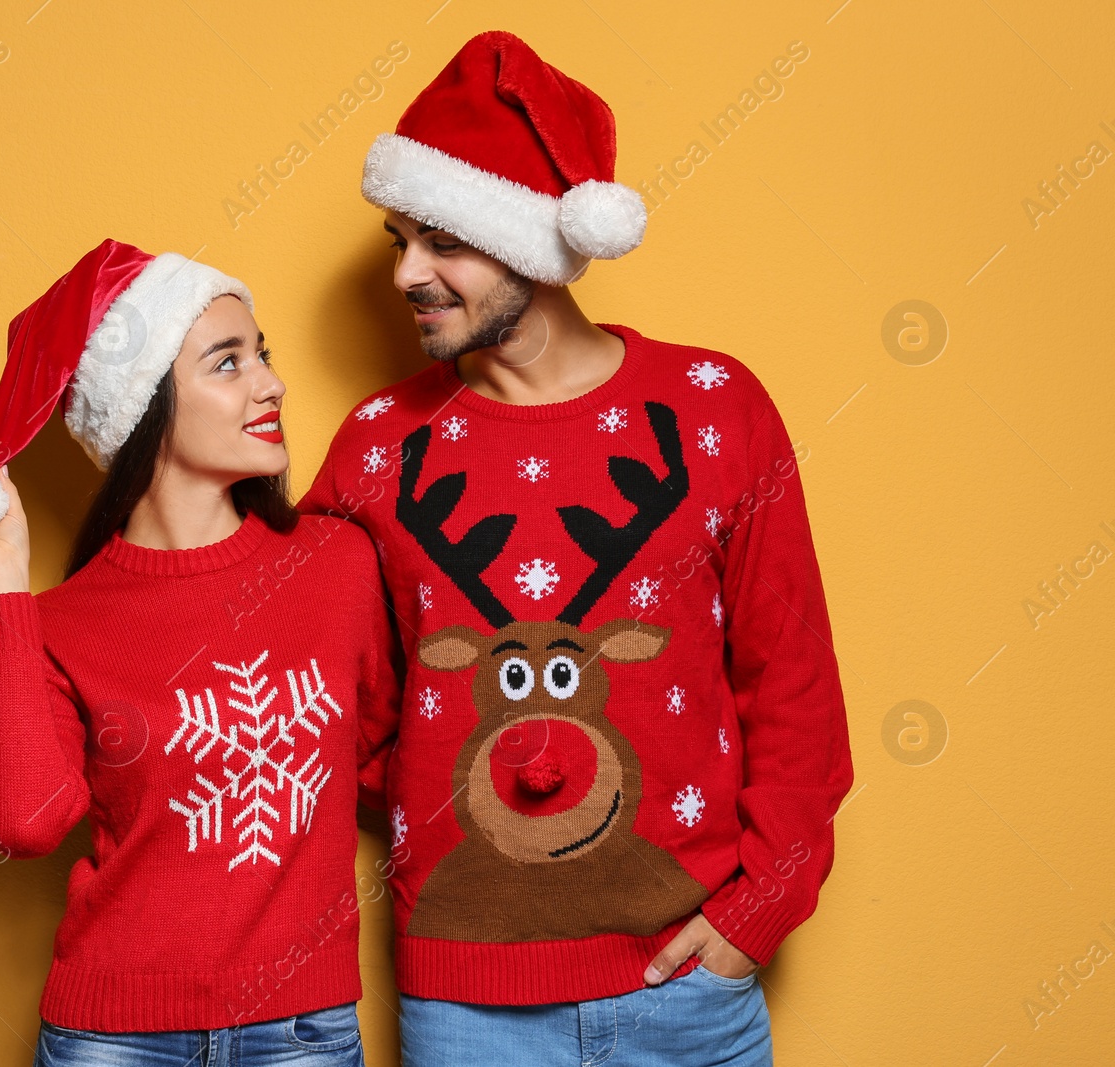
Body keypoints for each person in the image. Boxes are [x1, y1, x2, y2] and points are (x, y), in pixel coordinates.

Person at [297, 31, 854, 1067]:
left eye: (441, 240)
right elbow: (329, 699)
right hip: (466, 1010)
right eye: (396, 240)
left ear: (529, 244)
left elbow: (793, 684)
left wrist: (755, 914)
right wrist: (439, 787)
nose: (407, 273)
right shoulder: (376, 449)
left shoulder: (713, 409)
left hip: (691, 990)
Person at [0, 239, 403, 1066]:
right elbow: (21, 823)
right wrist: (1, 582)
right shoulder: (64, 619)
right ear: (145, 407)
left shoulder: (340, 564)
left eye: (263, 354)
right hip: (108, 1039)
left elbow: (392, 764)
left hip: (299, 1032)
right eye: (228, 363)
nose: (271, 383)